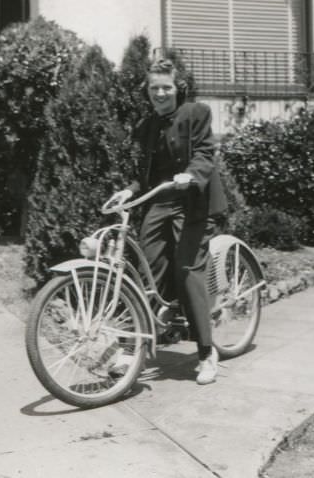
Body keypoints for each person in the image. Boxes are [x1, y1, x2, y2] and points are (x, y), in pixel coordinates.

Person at [110, 59, 228, 385]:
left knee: (188, 270)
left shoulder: (197, 113)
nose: (160, 93)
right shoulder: (146, 127)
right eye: (154, 88)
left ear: (178, 88)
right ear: (147, 91)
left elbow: (205, 154)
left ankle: (206, 353)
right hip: (161, 203)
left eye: (166, 87)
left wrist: (190, 176)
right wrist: (128, 190)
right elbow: (145, 178)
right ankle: (131, 347)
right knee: (144, 270)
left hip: (195, 204)